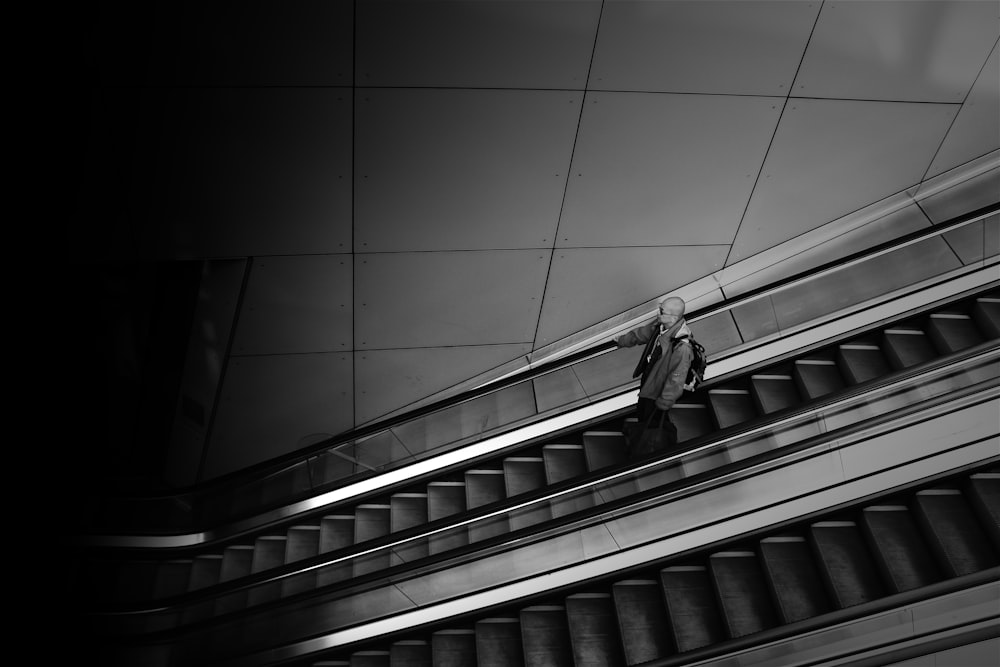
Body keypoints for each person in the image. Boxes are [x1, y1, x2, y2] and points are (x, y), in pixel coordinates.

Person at [613, 296, 695, 455]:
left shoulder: (682, 346)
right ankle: (654, 445)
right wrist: (622, 340)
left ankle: (652, 451)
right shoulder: (663, 327)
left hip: (657, 391)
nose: (658, 313)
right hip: (650, 381)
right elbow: (642, 334)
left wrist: (665, 401)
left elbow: (677, 377)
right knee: (651, 419)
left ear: (673, 317)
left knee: (651, 420)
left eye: (661, 310)